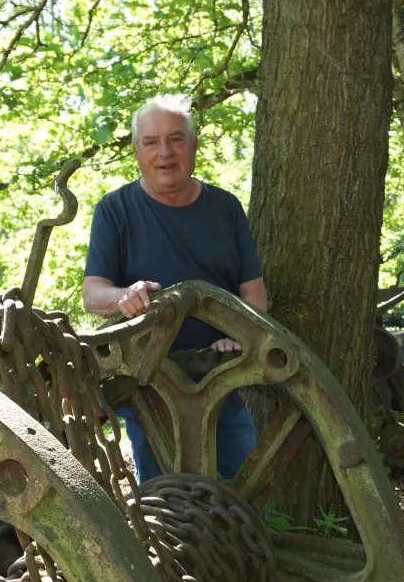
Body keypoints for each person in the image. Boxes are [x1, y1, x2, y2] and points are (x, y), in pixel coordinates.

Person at [82, 94, 267, 483]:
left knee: (243, 489)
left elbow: (254, 296)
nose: (164, 152)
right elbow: (92, 295)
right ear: (137, 151)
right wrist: (124, 296)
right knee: (167, 500)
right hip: (150, 384)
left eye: (176, 139)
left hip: (221, 377)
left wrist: (238, 336)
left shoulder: (225, 208)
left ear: (194, 146)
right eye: (151, 142)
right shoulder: (114, 210)